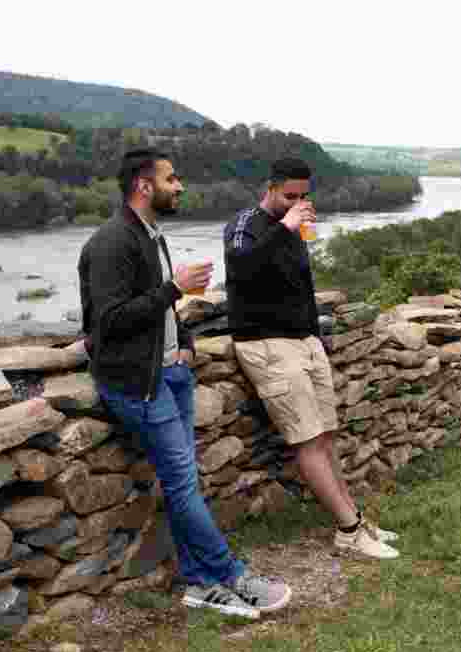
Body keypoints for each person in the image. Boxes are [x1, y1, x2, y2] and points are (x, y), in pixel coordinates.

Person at [78, 148, 291, 618]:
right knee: (182, 485)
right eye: (172, 179)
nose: (181, 186)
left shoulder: (151, 235)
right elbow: (108, 324)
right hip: (139, 383)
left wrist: (187, 336)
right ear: (144, 186)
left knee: (184, 483)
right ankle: (233, 576)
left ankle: (199, 582)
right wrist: (175, 288)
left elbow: (159, 310)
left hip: (170, 372)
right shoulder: (112, 243)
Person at [224, 158, 400, 560]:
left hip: (303, 339)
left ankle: (354, 518)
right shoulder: (245, 224)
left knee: (325, 435)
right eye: (290, 196)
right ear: (269, 188)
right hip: (268, 344)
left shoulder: (293, 226)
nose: (298, 203)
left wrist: (313, 336)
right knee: (306, 439)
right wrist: (283, 228)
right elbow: (242, 270)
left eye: (303, 196)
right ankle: (349, 530)